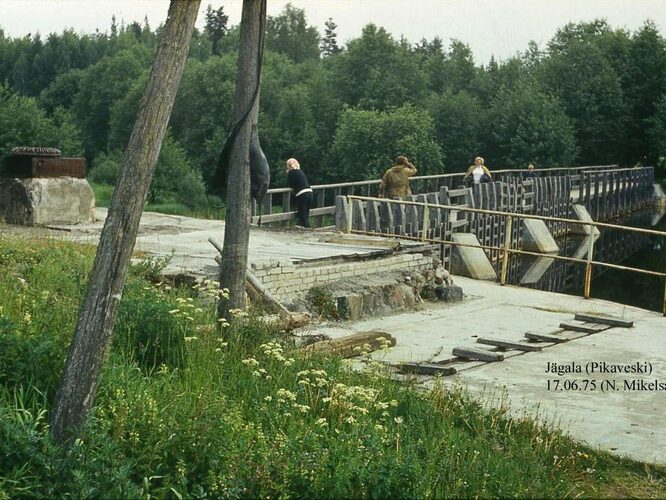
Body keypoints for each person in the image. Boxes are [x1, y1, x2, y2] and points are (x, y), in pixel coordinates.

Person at [286, 157, 313, 228]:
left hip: (302, 194)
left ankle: (306, 229)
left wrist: (288, 174)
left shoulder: (291, 173)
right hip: (309, 192)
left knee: (302, 214)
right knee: (306, 214)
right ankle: (308, 228)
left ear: (289, 166)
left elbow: (290, 184)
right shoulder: (300, 171)